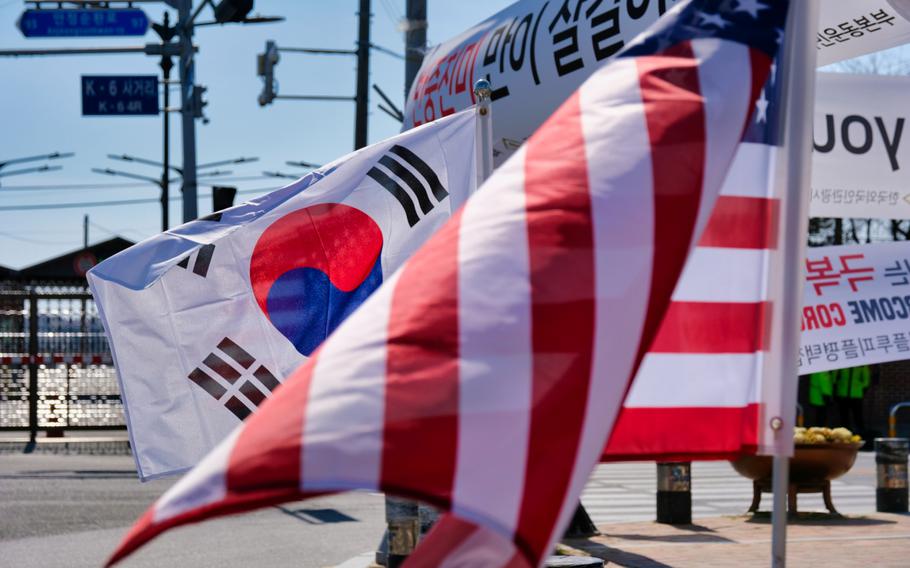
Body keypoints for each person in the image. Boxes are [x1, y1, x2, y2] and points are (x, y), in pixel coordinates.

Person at [835, 364, 871, 434]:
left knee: (858, 416)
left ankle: (861, 433)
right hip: (843, 393)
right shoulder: (841, 365)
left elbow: (866, 378)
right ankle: (845, 433)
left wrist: (863, 389)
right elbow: (836, 377)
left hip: (856, 394)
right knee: (844, 416)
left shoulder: (862, 365)